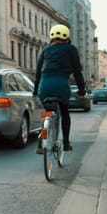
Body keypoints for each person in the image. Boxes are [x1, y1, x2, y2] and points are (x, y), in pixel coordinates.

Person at [34, 24, 87, 152]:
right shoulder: (71, 49)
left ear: (51, 37)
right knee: (64, 113)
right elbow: (77, 72)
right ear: (67, 37)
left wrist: (35, 91)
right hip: (61, 86)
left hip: (44, 87)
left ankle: (43, 137)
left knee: (47, 111)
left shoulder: (45, 50)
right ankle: (66, 143)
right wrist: (81, 91)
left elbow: (38, 73)